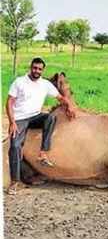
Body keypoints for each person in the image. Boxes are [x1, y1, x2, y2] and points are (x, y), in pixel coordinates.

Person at [6, 57, 76, 195]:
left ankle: (43, 153)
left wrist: (69, 107)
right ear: (30, 68)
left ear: (42, 70)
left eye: (39, 69)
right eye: (34, 68)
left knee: (50, 118)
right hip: (20, 118)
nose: (36, 71)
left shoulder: (45, 84)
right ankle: (15, 182)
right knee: (14, 146)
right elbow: (9, 102)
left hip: (35, 116)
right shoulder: (19, 82)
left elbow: (61, 98)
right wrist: (12, 122)